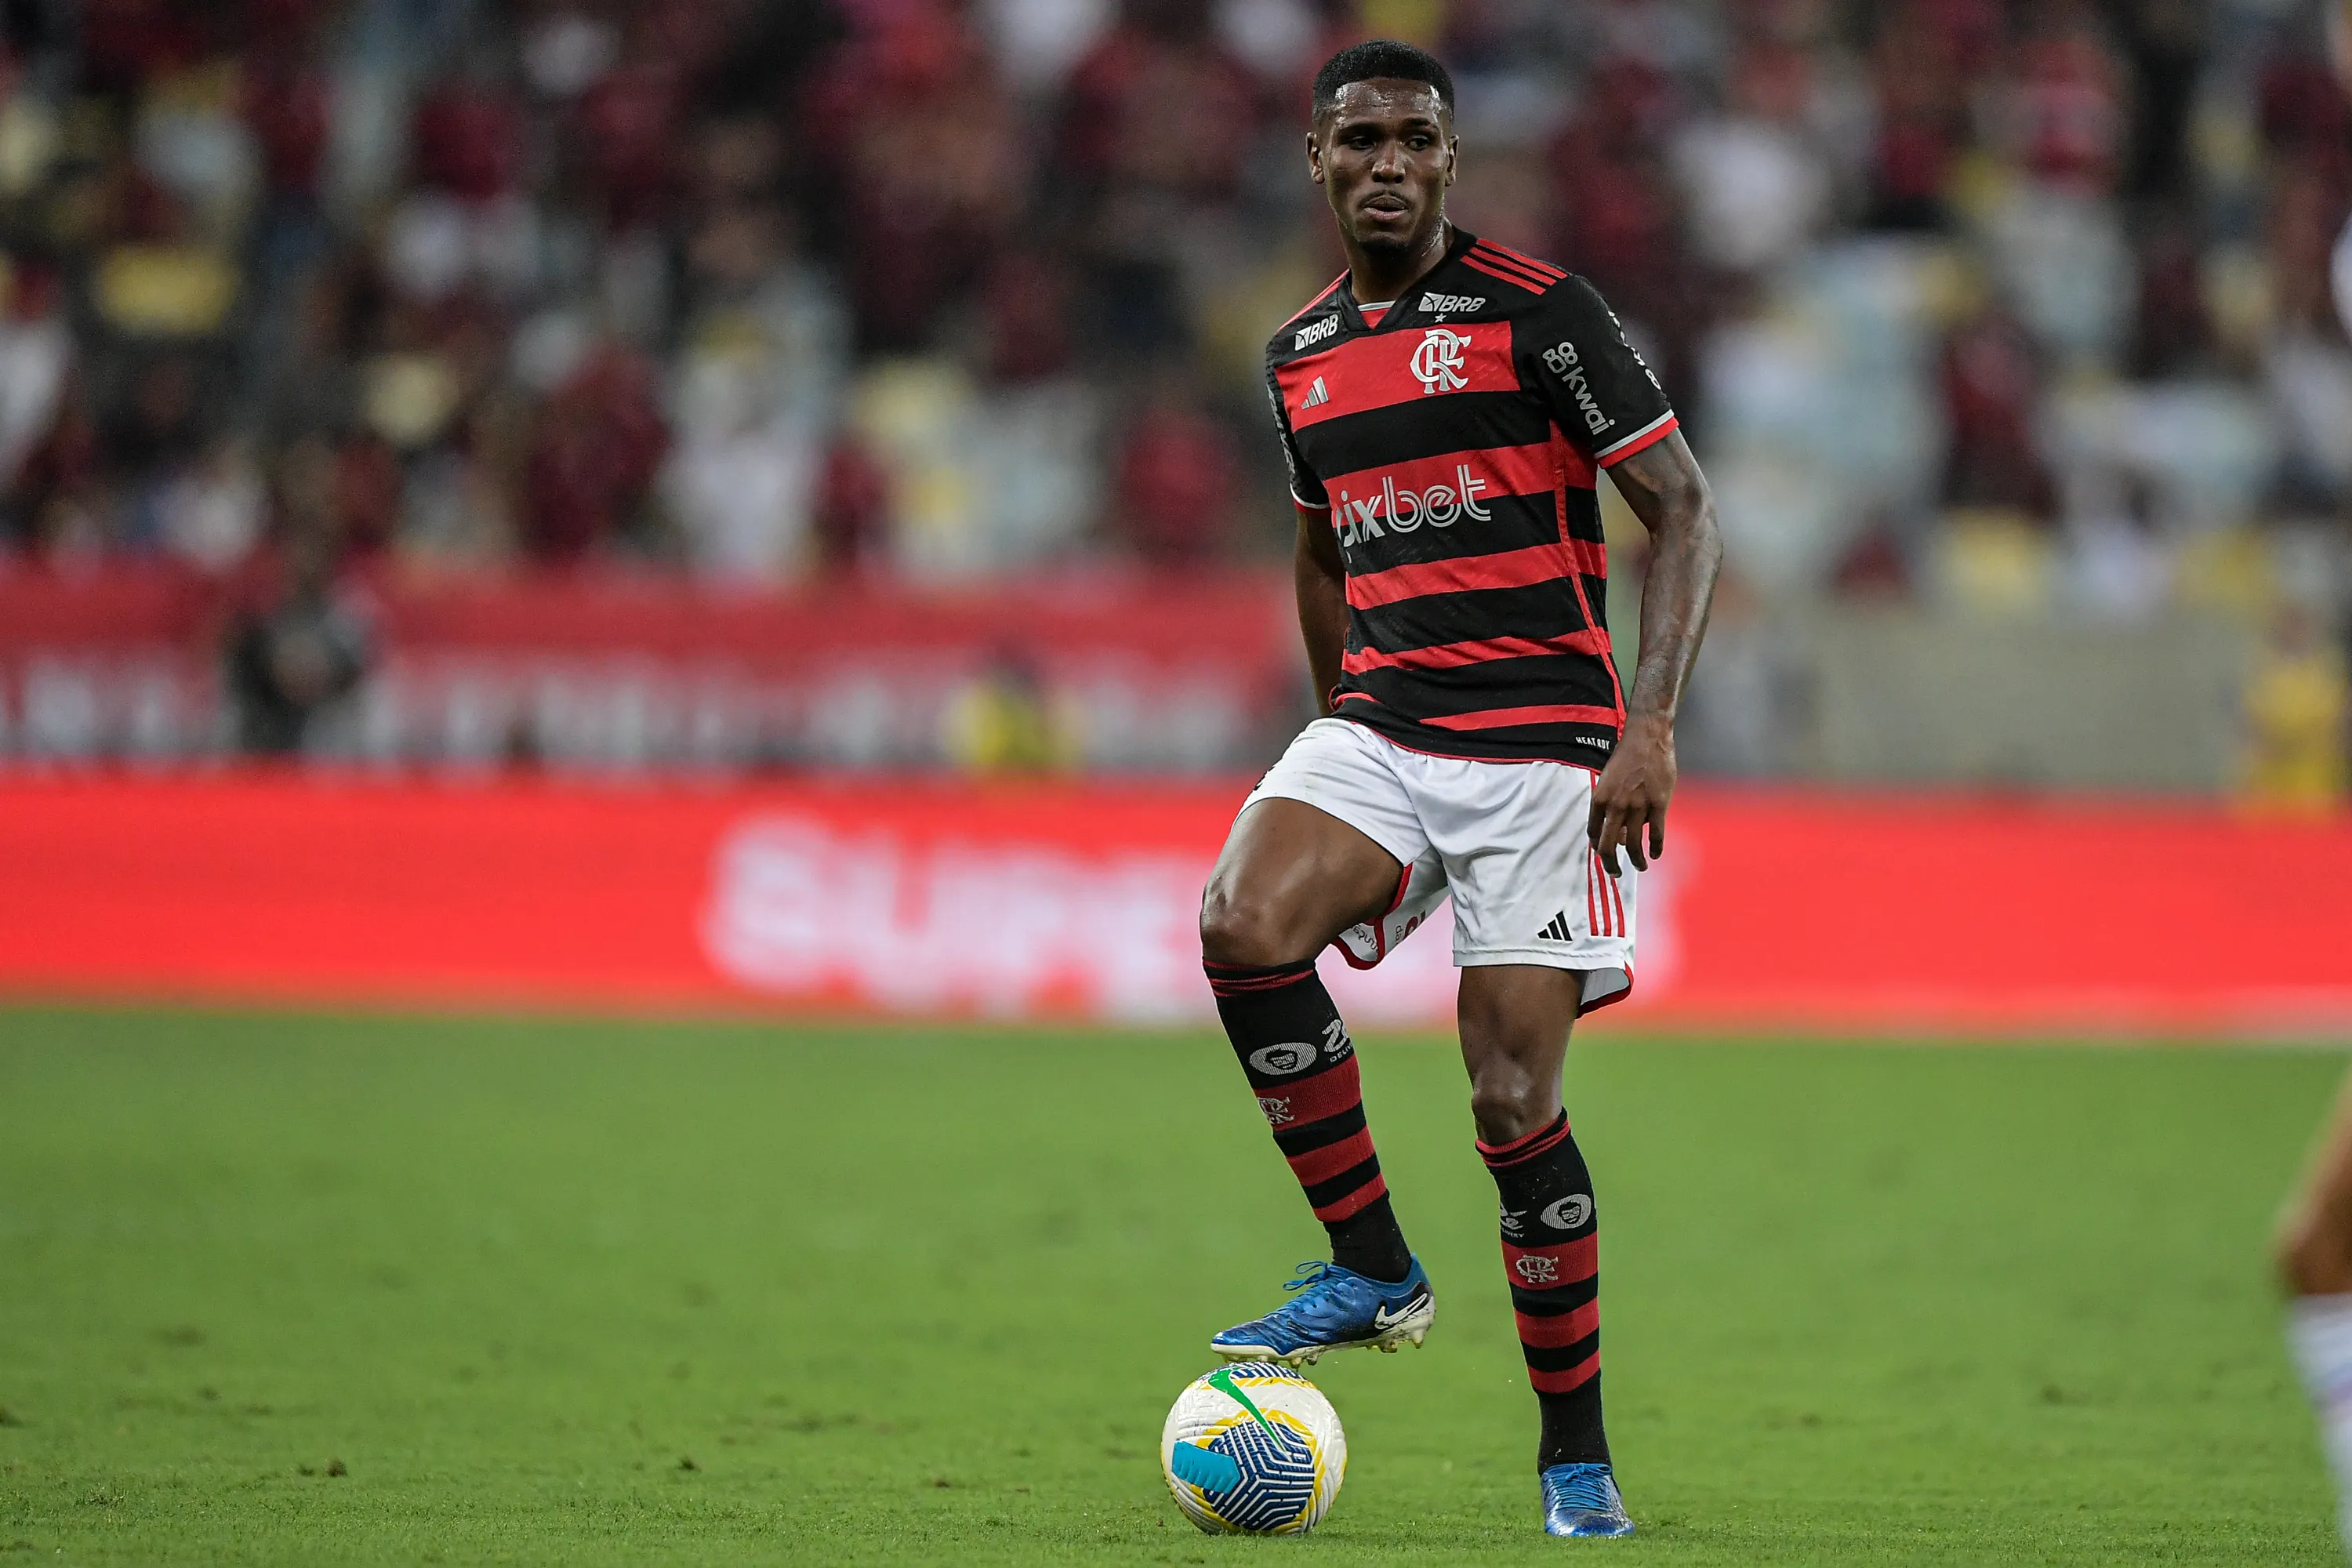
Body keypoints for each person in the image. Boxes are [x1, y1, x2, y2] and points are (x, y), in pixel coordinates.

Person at [1196, 40, 1721, 1539]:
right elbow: (1318, 551)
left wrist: (1652, 724)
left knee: (1510, 1102)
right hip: (1385, 723)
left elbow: (1681, 508)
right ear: (1316, 159)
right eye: (1357, 138)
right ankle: (1372, 1266)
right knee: (1242, 921)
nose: (1386, 163)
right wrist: (1333, 738)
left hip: (1548, 743)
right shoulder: (1299, 351)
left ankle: (1574, 1456)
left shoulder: (1538, 312)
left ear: (1448, 159)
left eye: (1414, 140)